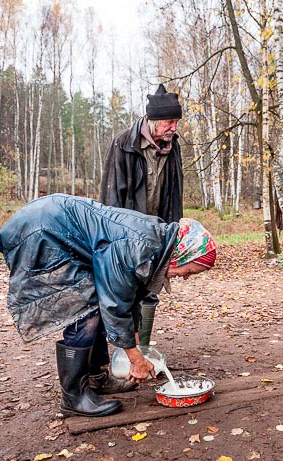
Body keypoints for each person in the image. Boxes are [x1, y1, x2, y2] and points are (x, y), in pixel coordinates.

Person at [0, 194, 217, 417]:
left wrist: (135, 343)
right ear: (181, 255)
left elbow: (131, 294)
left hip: (52, 224)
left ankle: (96, 378)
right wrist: (135, 359)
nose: (186, 277)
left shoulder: (157, 246)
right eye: (189, 271)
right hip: (43, 231)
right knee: (85, 309)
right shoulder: (137, 246)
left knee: (94, 302)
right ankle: (73, 397)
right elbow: (114, 303)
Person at [97, 84, 184, 395]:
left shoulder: (172, 147)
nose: (174, 128)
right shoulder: (123, 143)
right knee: (125, 293)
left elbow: (175, 193)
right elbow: (110, 195)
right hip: (127, 234)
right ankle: (123, 356)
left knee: (151, 292)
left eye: (176, 123)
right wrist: (115, 238)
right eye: (168, 123)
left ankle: (140, 351)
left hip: (159, 231)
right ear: (151, 120)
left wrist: (174, 233)